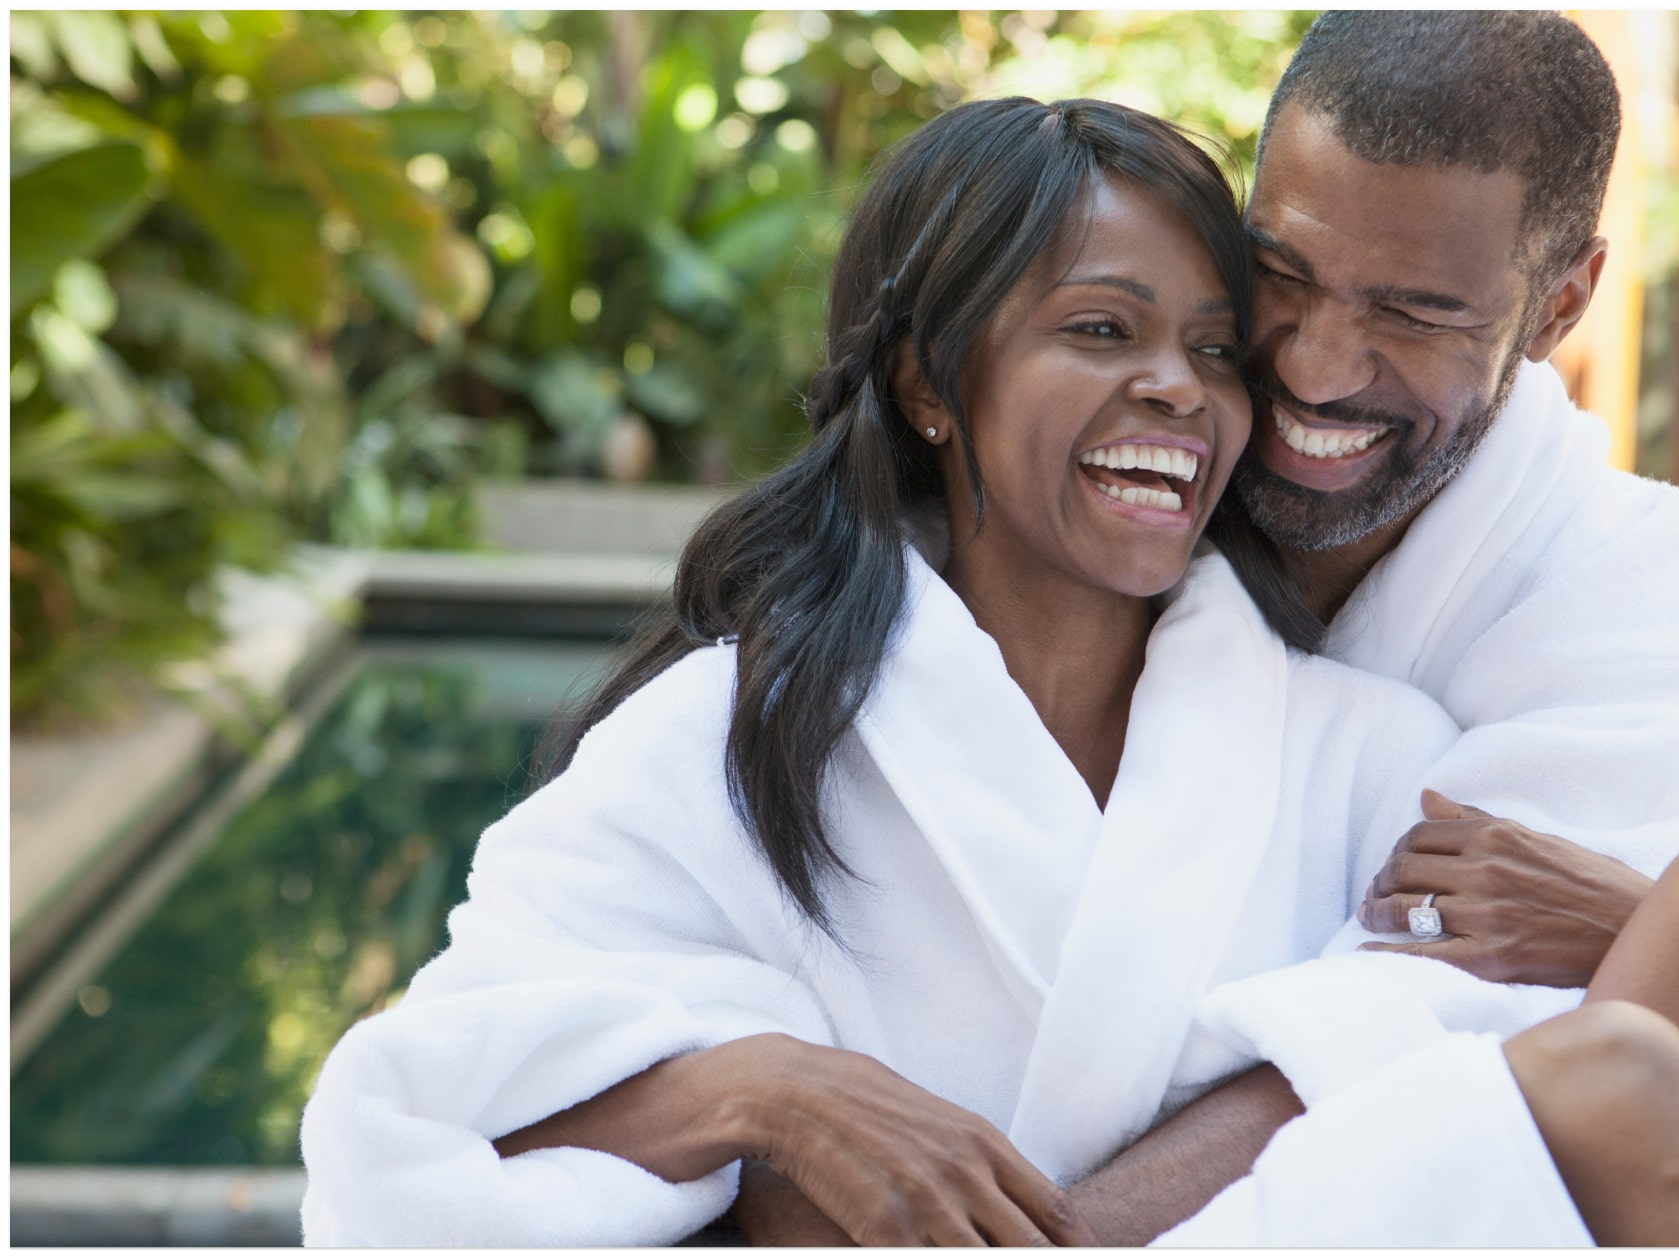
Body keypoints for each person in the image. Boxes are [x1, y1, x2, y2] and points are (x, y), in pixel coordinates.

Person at [299, 95, 1529, 1246]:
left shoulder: (1373, 761)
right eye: (1102, 328)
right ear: (928, 381)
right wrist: (765, 1092)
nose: (1177, 386)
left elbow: (1472, 1078)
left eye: (1215, 351)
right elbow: (409, 1141)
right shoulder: (728, 741)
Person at [730, 11, 1679, 1247]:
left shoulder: (1615, 597)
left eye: (1413, 314)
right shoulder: (1102, 463)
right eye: (1282, 274)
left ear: (1561, 300)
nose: (1310, 367)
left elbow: (1466, 1046)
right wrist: (746, 1089)